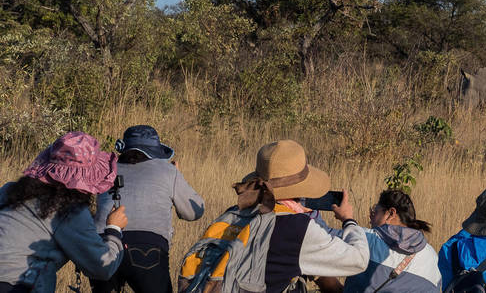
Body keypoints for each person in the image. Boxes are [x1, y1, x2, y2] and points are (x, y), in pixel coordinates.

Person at [178, 139, 369, 293]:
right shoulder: (296, 227)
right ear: (302, 190)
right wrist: (348, 221)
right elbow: (358, 260)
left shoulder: (236, 213)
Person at [0, 131, 128, 293]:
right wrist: (114, 230)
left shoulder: (9, 191)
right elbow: (102, 268)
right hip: (19, 286)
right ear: (89, 176)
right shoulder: (69, 209)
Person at [90, 125, 205, 293]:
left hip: (103, 244)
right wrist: (176, 178)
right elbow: (194, 212)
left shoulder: (107, 169)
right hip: (147, 247)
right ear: (155, 151)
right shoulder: (167, 170)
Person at [317, 189, 442, 293]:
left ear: (390, 214)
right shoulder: (431, 255)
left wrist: (311, 213)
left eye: (374, 212)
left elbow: (319, 239)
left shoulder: (368, 239)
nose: (370, 218)